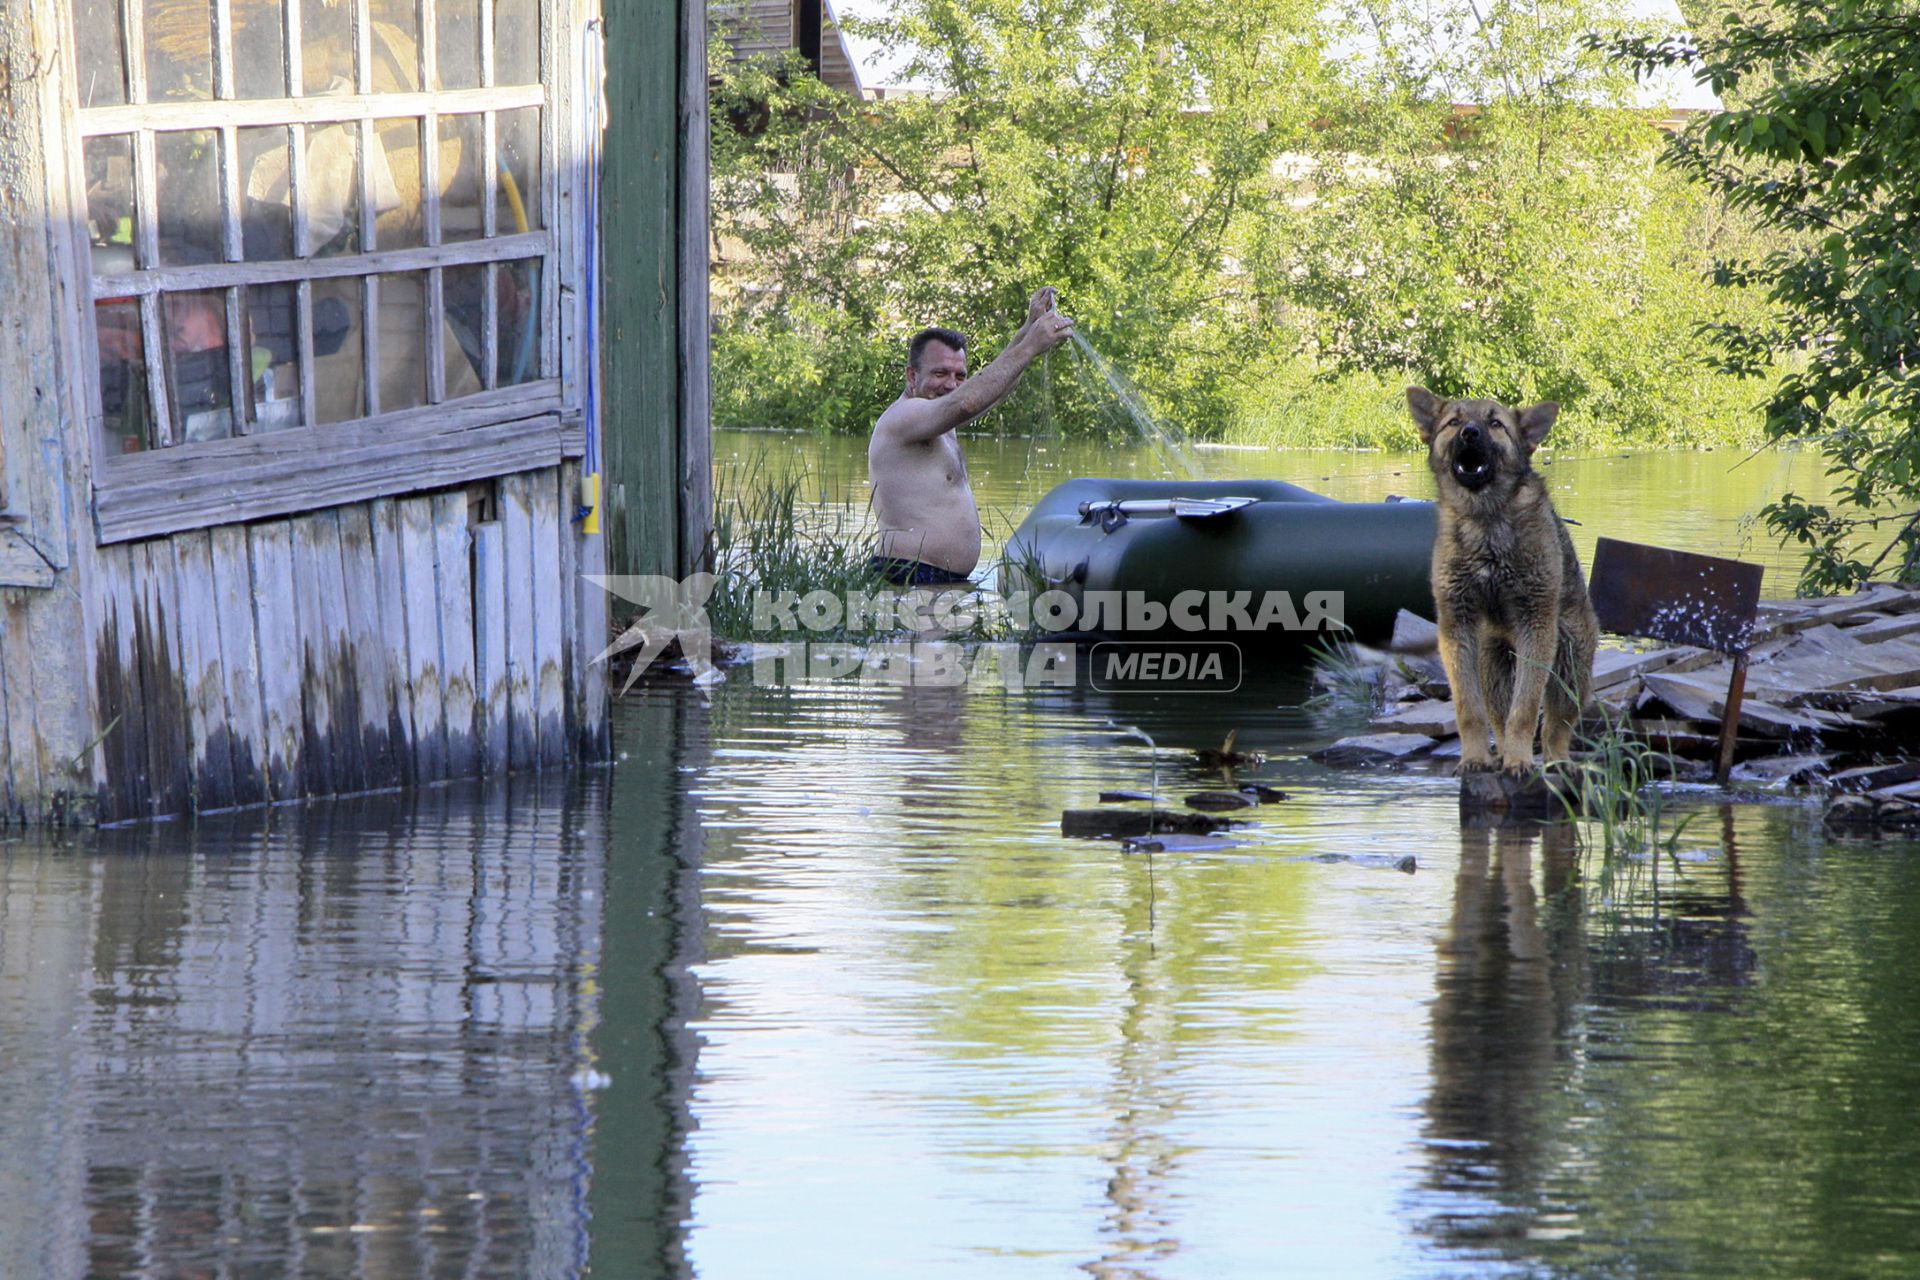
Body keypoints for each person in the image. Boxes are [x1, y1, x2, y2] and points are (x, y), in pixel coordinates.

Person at [867, 288, 1076, 586]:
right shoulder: (905, 415)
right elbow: (967, 401)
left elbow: (989, 393)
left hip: (938, 579)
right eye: (940, 374)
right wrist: (1030, 346)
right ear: (912, 376)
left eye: (960, 376)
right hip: (910, 574)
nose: (951, 385)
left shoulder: (937, 417)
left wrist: (1028, 328)